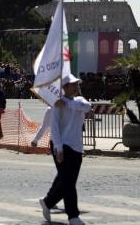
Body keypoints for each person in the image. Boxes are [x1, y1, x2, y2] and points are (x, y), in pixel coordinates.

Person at [41, 74, 91, 225]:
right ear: (64, 87)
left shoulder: (79, 100)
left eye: (77, 84)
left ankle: (48, 202)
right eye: (73, 85)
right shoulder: (56, 104)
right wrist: (58, 148)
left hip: (77, 146)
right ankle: (73, 216)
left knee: (68, 181)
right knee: (68, 183)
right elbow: (54, 127)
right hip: (62, 145)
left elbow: (88, 107)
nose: (76, 87)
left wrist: (68, 104)